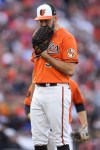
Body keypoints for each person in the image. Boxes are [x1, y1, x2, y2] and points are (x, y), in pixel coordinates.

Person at [30, 3, 79, 150]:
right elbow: (36, 66)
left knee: (61, 139)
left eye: (46, 20)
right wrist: (33, 90)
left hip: (57, 90)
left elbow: (70, 69)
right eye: (41, 21)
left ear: (55, 18)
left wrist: (46, 55)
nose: (43, 24)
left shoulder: (66, 38)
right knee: (38, 140)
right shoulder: (38, 36)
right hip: (38, 90)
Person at [24, 79, 88, 150]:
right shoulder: (38, 83)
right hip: (45, 128)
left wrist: (84, 127)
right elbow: (27, 106)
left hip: (64, 126)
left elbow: (79, 104)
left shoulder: (71, 83)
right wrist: (35, 120)